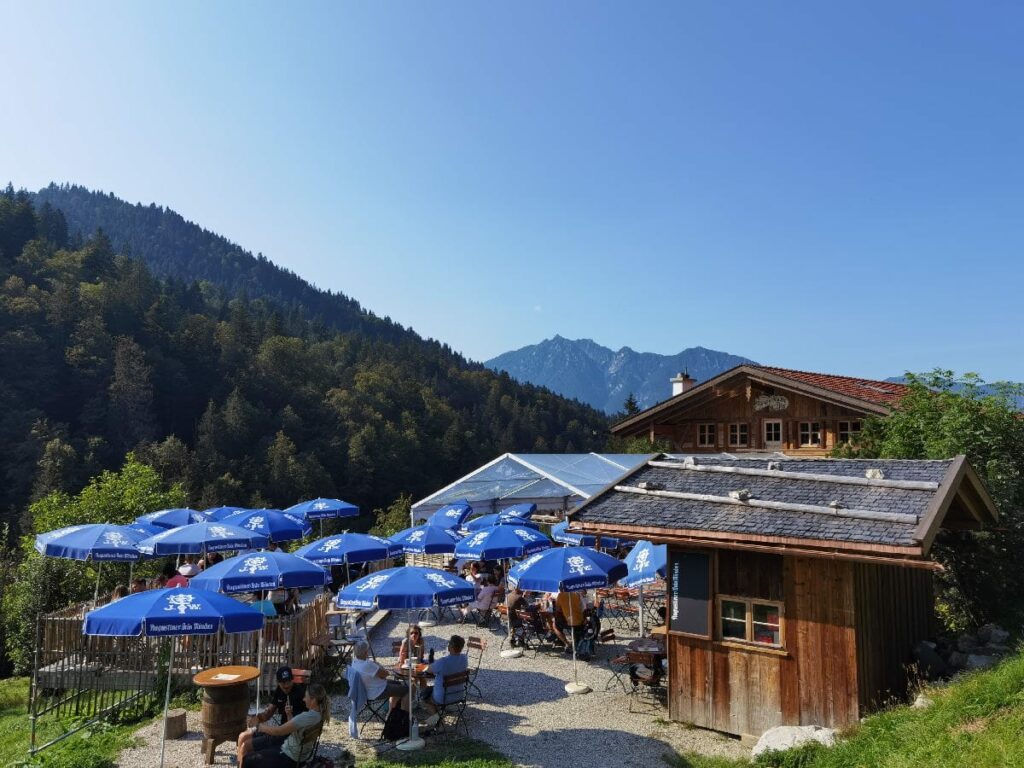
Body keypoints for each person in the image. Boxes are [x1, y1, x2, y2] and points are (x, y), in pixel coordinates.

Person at [240, 682, 330, 767]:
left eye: (306, 697)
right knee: (260, 749)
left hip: (289, 757)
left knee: (247, 760)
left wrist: (259, 726)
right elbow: (294, 730)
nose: (303, 699)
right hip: (300, 755)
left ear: (313, 700)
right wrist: (289, 714)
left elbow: (278, 731)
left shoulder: (306, 717)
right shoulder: (320, 714)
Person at [236, 666, 307, 764]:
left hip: (286, 736)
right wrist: (257, 718)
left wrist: (262, 726)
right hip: (279, 730)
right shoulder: (280, 690)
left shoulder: (300, 694)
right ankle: (241, 763)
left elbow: (296, 727)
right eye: (283, 682)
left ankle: (245, 763)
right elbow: (269, 712)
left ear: (292, 680)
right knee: (242, 736)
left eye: (288, 681)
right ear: (278, 682)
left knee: (245, 746)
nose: (286, 685)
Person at [420, 635, 468, 728]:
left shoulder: (443, 661)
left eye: (449, 643)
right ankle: (439, 713)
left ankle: (436, 717)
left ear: (451, 647)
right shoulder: (464, 659)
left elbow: (429, 670)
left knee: (423, 696)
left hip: (443, 697)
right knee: (431, 689)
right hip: (459, 694)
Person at [350, 640, 408, 712]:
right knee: (407, 690)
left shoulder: (354, 662)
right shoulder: (367, 665)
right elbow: (385, 675)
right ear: (365, 652)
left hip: (364, 690)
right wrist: (378, 665)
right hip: (376, 691)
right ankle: (404, 716)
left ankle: (391, 712)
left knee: (398, 684)